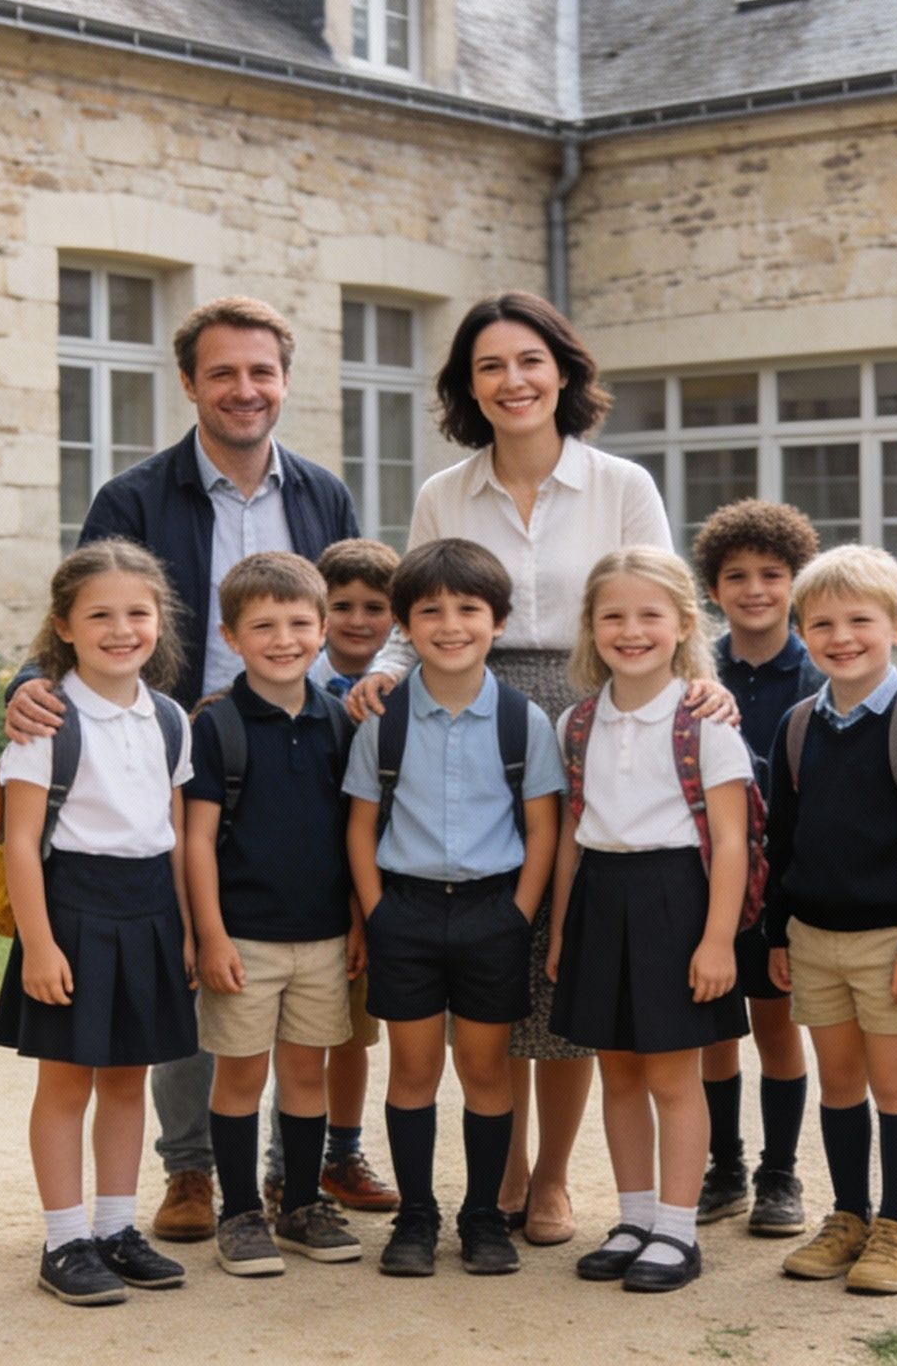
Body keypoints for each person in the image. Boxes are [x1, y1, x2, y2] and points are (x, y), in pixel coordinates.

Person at [345, 290, 734, 1246]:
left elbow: (657, 604)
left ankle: (554, 1178)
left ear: (562, 370)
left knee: (561, 962)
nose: (511, 381)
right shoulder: (447, 490)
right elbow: (428, 607)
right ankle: (502, 1173)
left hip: (594, 702)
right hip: (469, 704)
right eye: (489, 367)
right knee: (491, 957)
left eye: (528, 361)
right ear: (468, 387)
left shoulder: (621, 483)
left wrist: (703, 686)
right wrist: (384, 676)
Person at [2, 297, 362, 1244]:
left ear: (284, 380)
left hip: (292, 747)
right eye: (223, 374)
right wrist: (26, 688)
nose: (244, 390)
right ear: (190, 384)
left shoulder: (322, 492)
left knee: (295, 950)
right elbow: (84, 604)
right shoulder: (135, 496)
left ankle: (297, 1171)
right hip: (181, 749)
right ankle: (192, 1167)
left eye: (261, 372)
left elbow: (356, 614)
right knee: (188, 953)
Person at [342, 539, 566, 1278]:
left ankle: (481, 1218)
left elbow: (542, 826)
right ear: (405, 624)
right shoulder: (385, 718)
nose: (450, 624)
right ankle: (416, 1217)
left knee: (485, 1070)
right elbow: (361, 824)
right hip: (403, 911)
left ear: (497, 622)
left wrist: (517, 913)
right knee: (411, 1071)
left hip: (491, 914)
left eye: (468, 609)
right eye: (430, 610)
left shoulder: (522, 721)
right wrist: (377, 913)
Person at [764, 546, 897, 1297]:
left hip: (895, 944)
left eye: (861, 620)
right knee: (839, 1083)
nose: (841, 636)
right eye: (821, 623)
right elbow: (780, 843)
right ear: (802, 632)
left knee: (895, 1084)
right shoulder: (796, 727)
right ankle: (848, 1216)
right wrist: (776, 933)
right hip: (813, 941)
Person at [0, 541, 199, 1308]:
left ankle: (117, 1228)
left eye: (137, 613)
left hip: (148, 910)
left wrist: (182, 929)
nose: (122, 629)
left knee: (127, 1078)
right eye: (100, 615)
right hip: (72, 912)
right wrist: (39, 944)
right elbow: (20, 842)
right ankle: (64, 1240)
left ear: (159, 622)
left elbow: (173, 831)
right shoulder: (47, 719)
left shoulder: (170, 719)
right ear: (64, 627)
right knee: (67, 1081)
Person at [549, 549, 751, 1294]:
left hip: (678, 901)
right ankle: (632, 1218)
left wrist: (718, 939)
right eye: (613, 617)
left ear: (682, 625)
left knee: (673, 1075)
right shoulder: (576, 723)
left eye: (648, 616)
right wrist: (565, 932)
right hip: (602, 898)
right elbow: (575, 833)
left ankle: (675, 1226)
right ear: (591, 628)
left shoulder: (705, 722)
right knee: (620, 1072)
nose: (630, 631)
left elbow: (729, 841)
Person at [184, 553, 368, 1277]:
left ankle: (298, 1205)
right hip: (244, 942)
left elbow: (357, 831)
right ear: (232, 636)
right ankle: (238, 1214)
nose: (283, 638)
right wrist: (210, 935)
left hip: (323, 938)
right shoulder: (217, 727)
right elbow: (195, 840)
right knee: (238, 1078)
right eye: (263, 625)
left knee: (306, 1075)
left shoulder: (340, 722)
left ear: (323, 629)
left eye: (298, 622)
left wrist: (357, 919)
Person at [256, 535, 404, 1216]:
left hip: (380, 887)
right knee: (297, 1043)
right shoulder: (293, 690)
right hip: (306, 892)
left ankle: (342, 1152)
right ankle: (289, 1163)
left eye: (374, 606)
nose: (356, 619)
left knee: (353, 1034)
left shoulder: (406, 689)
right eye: (340, 604)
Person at [690, 500, 827, 1237]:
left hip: (782, 881)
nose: (754, 590)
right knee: (715, 1029)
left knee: (776, 1026)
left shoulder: (816, 671)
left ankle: (780, 1173)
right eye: (736, 576)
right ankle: (727, 1165)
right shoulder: (691, 666)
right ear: (713, 589)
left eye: (771, 575)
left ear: (795, 583)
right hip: (706, 880)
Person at [311, 537, 398, 699]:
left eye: (374, 609)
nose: (357, 621)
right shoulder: (293, 684)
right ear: (318, 609)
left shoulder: (412, 689)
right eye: (342, 607)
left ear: (396, 614)